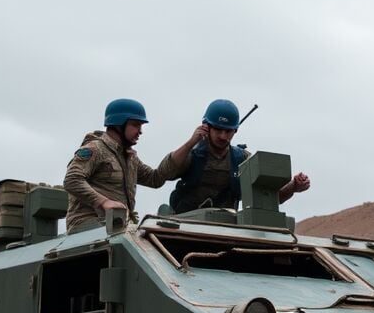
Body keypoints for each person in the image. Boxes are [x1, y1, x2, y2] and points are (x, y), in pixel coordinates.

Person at [64, 98, 204, 232]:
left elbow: (155, 178)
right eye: (136, 125)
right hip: (86, 225)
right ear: (119, 124)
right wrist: (104, 202)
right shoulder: (95, 149)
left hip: (114, 226)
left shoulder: (129, 157)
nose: (140, 131)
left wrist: (190, 144)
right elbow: (72, 179)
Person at [167, 99, 311, 214]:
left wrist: (293, 186)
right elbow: (163, 174)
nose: (223, 136)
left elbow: (269, 197)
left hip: (223, 232)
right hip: (184, 225)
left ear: (235, 130)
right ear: (206, 126)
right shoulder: (192, 153)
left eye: (228, 131)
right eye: (218, 129)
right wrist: (190, 143)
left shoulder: (241, 159)